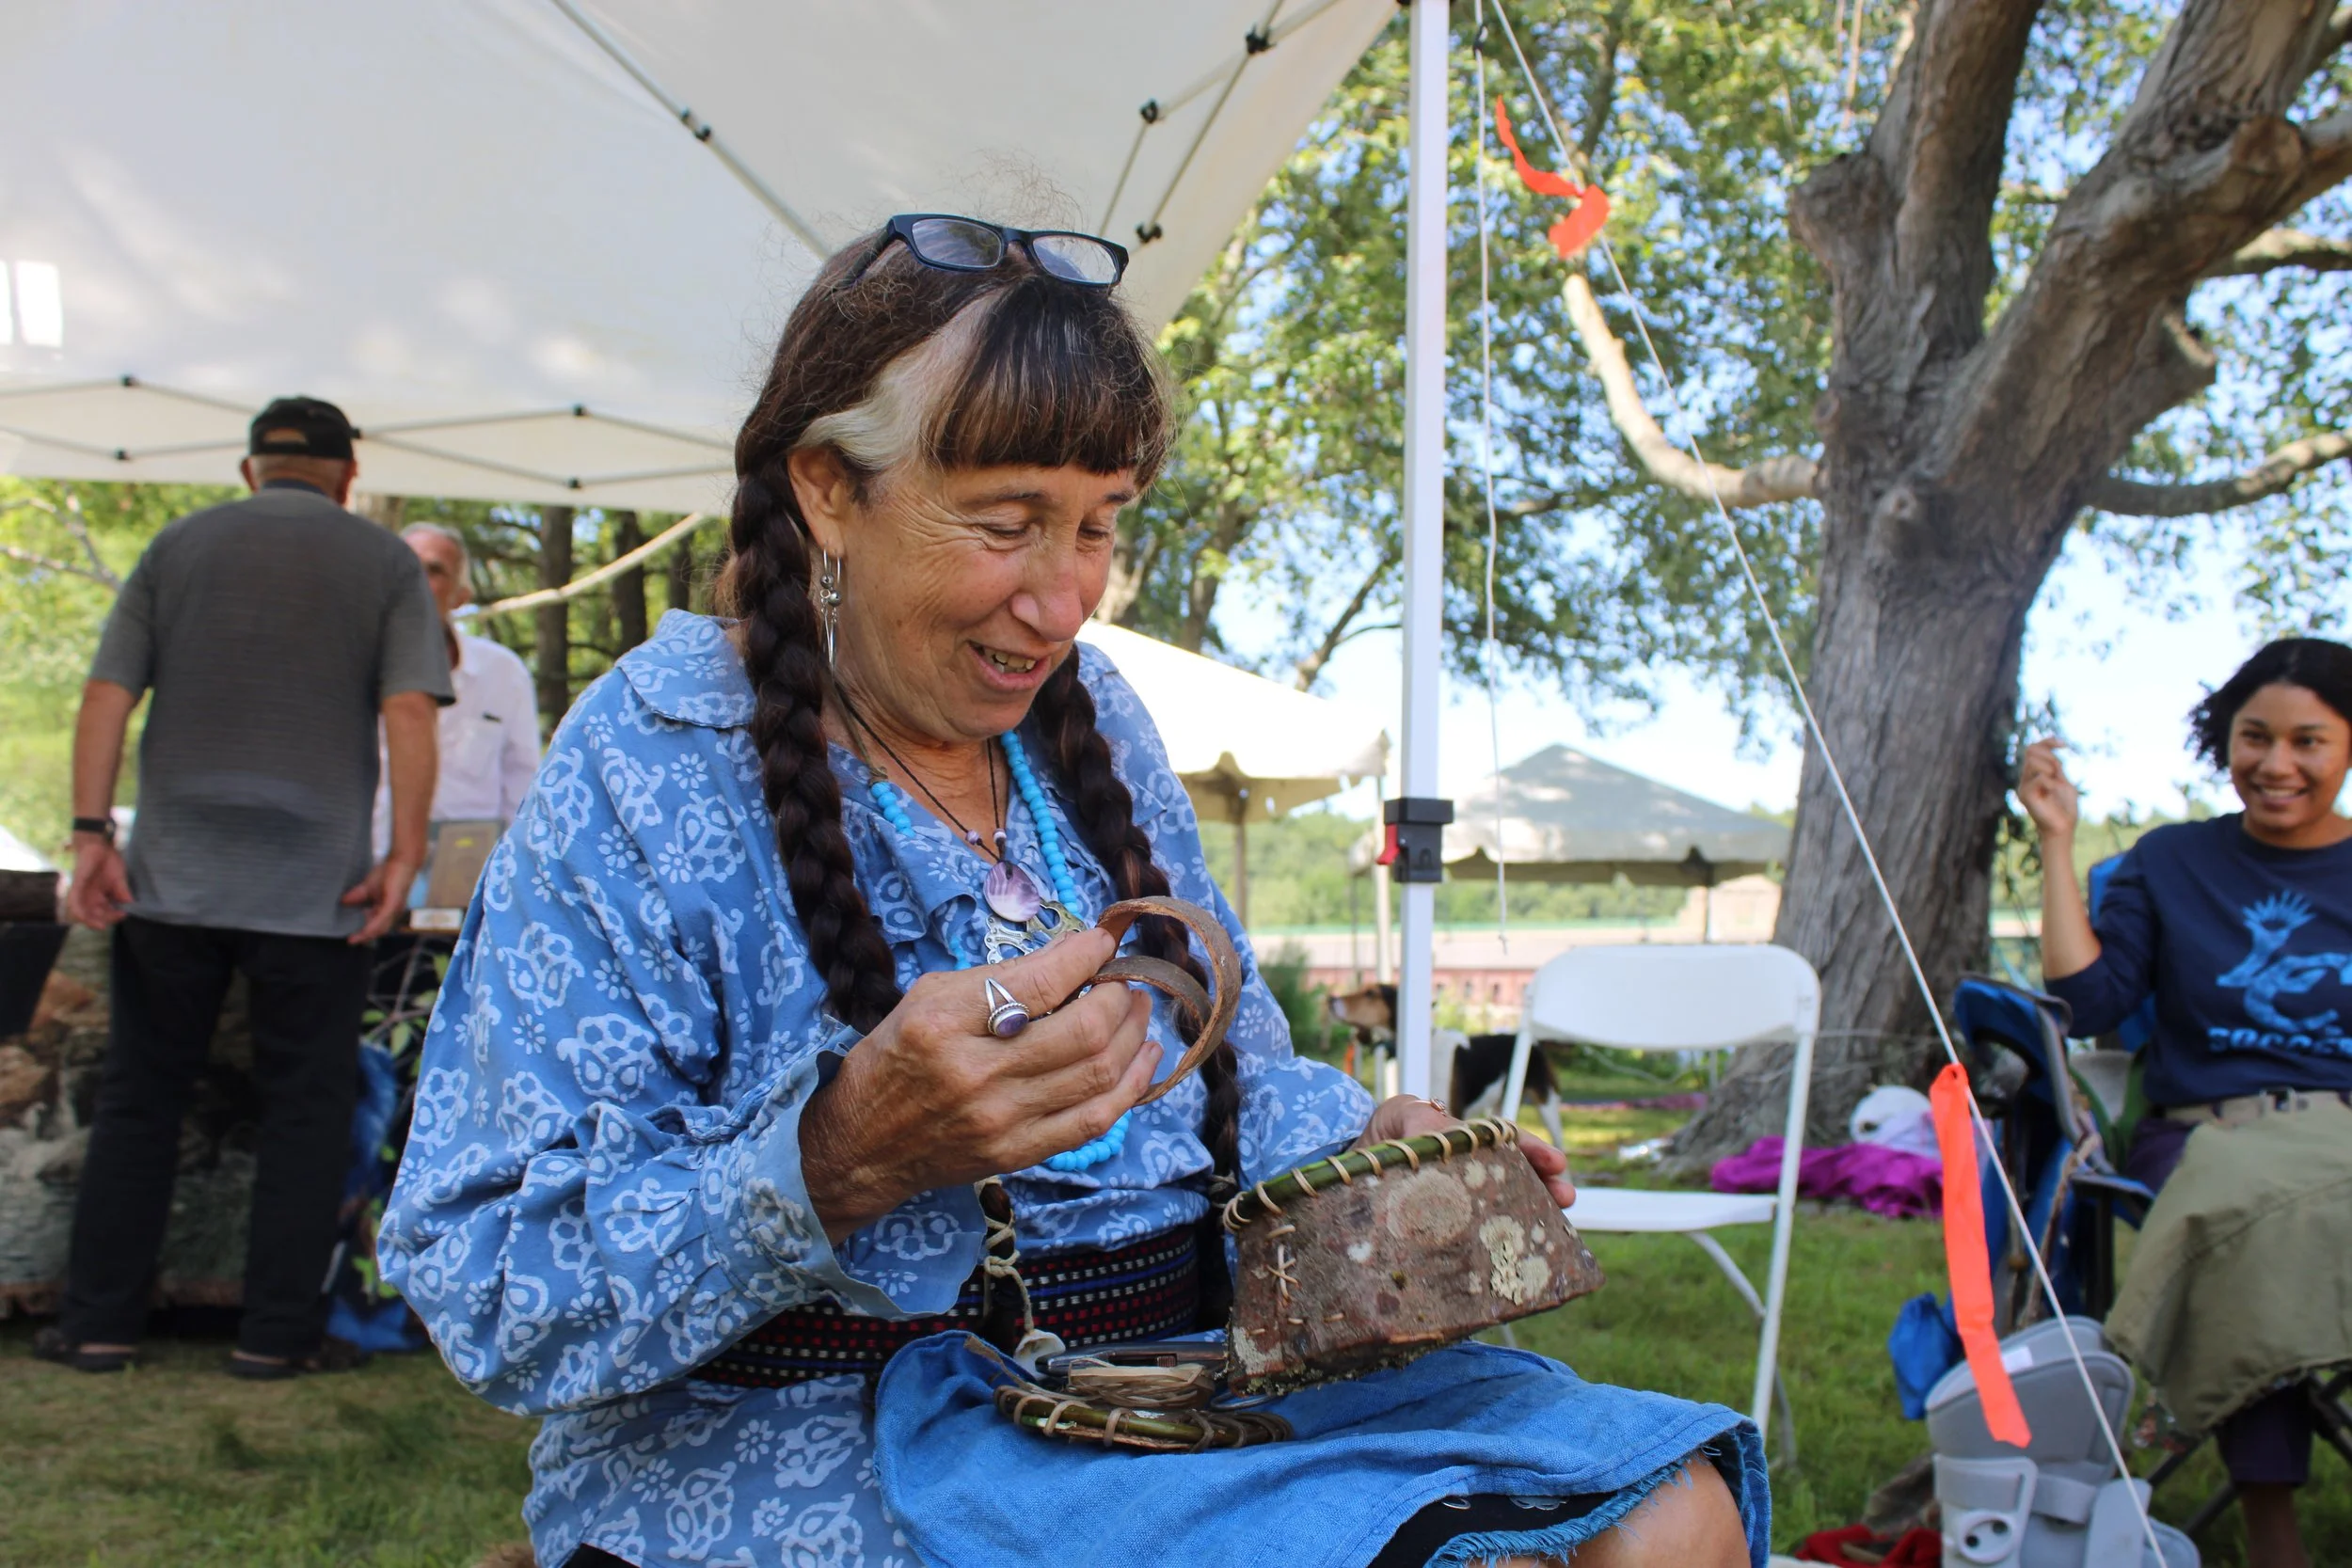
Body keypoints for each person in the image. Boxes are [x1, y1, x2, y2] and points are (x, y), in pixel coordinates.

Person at [381, 216, 1765, 1568]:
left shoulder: (1087, 718)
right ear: (825, 485)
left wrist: (1378, 1151)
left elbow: (1237, 1083)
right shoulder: (655, 759)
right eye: (1008, 521)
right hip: (822, 1430)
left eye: (1100, 525)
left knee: (1671, 1519)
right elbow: (487, 1285)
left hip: (1176, 1392)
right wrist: (834, 1158)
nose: (1064, 599)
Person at [37, 396, 453, 1380]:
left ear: (248, 469)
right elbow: (409, 712)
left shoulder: (176, 546)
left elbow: (106, 696)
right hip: (319, 887)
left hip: (172, 874)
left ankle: (98, 1324)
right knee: (306, 1108)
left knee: (141, 1096)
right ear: (348, 477)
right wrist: (402, 857)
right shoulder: (386, 561)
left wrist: (92, 833)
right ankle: (272, 1335)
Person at [2019, 637, 2352, 1568]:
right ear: (2224, 738)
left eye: (2308, 741)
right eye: (2254, 735)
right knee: (2257, 1243)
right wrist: (2054, 838)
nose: (2275, 763)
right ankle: (2271, 1534)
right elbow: (2089, 1004)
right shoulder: (2170, 862)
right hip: (2210, 1135)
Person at [371, 522, 540, 849]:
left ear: (461, 596)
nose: (414, 580)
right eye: (405, 567)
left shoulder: (503, 673)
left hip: (468, 876)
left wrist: (511, 875)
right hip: (370, 872)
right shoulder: (355, 666)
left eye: (433, 570)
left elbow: (523, 781)